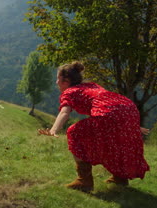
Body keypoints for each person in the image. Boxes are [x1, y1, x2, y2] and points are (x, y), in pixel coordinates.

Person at [39, 61, 150, 192]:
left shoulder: (69, 92)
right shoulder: (91, 85)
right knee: (114, 141)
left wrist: (53, 130)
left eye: (58, 79)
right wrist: (131, 125)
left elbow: (64, 112)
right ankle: (120, 178)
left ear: (66, 81)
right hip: (128, 107)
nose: (56, 82)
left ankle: (84, 181)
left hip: (111, 111)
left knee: (74, 132)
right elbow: (113, 104)